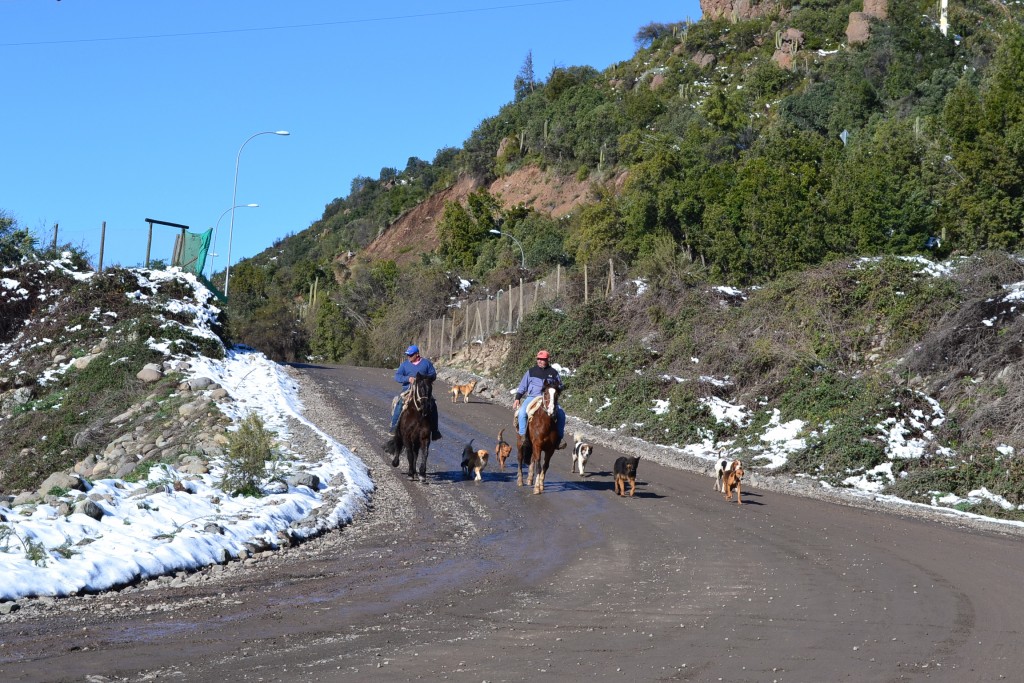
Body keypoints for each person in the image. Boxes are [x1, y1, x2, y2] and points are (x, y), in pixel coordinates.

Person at [512, 349, 566, 449]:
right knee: (522, 412)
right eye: (539, 359)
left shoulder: (553, 373)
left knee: (561, 415)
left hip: (549, 399)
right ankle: (523, 435)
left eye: (543, 359)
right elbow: (523, 386)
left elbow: (561, 386)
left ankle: (559, 439)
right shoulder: (531, 372)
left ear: (547, 360)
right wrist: (517, 398)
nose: (540, 361)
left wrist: (555, 388)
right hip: (533, 397)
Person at [391, 344, 442, 440]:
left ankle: (435, 431)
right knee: (400, 403)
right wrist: (408, 378)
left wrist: (424, 380)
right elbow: (397, 376)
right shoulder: (404, 365)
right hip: (408, 389)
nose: (408, 357)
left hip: (423, 390)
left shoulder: (426, 363)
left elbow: (433, 375)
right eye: (408, 355)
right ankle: (394, 426)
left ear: (417, 354)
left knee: (433, 405)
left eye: (411, 355)